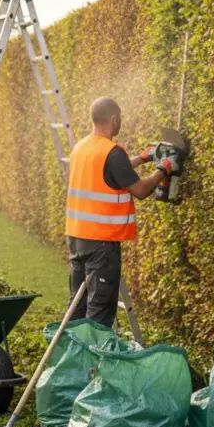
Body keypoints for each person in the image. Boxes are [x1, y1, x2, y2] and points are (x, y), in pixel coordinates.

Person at [64, 97, 179, 327]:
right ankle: (95, 362)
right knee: (99, 314)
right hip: (101, 245)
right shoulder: (112, 152)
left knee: (77, 310)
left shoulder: (82, 147)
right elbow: (140, 190)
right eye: (120, 118)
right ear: (114, 118)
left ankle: (73, 359)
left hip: (76, 239)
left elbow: (112, 172)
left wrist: (145, 157)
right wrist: (163, 169)